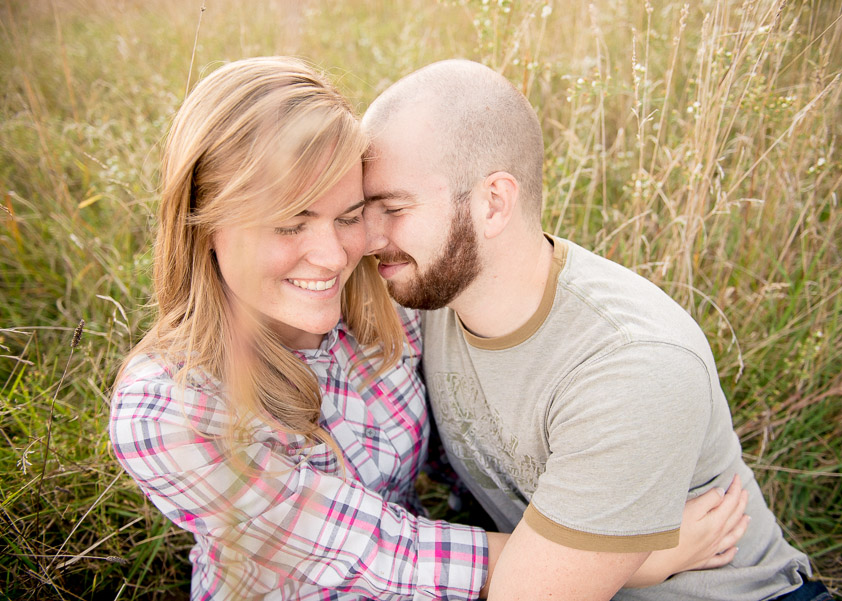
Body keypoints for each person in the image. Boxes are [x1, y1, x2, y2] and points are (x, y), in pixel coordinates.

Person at [109, 56, 747, 600]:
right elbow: (379, 551)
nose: (335, 256)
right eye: (289, 225)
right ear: (204, 227)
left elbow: (466, 452)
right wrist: (627, 557)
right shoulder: (168, 407)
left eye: (352, 214)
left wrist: (592, 533)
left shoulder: (390, 317)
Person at [362, 59, 833, 601]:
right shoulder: (430, 292)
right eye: (364, 210)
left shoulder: (632, 366)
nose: (370, 238)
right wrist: (639, 562)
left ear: (493, 203)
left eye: (393, 209)